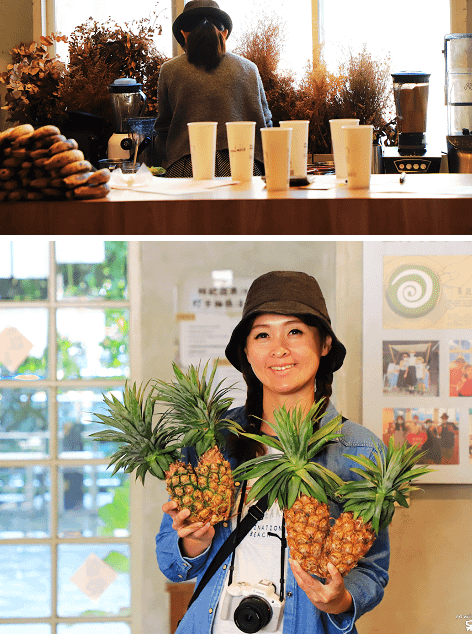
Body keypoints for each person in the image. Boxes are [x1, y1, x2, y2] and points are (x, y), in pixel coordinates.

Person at [155, 271, 390, 634]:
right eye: (262, 334)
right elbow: (172, 565)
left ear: (324, 344)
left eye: (295, 332)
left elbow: (372, 571)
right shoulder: (212, 440)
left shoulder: (360, 449)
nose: (278, 349)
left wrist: (338, 600)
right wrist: (192, 540)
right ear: (247, 352)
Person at [154, 0, 273, 178]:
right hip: (244, 167)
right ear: (224, 34)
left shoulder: (169, 70)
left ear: (184, 35)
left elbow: (163, 129)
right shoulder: (249, 68)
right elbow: (267, 125)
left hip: (185, 169)